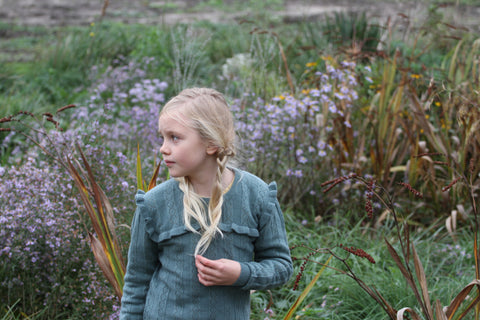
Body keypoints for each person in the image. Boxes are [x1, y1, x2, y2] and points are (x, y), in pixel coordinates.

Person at [119, 87, 293, 319]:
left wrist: (240, 273)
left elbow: (281, 267)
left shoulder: (257, 195)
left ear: (211, 143)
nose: (163, 148)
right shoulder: (153, 204)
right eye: (162, 137)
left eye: (175, 137)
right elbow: (136, 282)